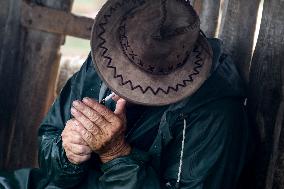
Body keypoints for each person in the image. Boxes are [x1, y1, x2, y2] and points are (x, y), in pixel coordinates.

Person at [0, 0, 251, 188]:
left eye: (139, 81)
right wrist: (67, 154)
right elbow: (50, 138)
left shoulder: (216, 114)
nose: (119, 88)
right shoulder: (111, 56)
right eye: (123, 74)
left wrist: (117, 155)